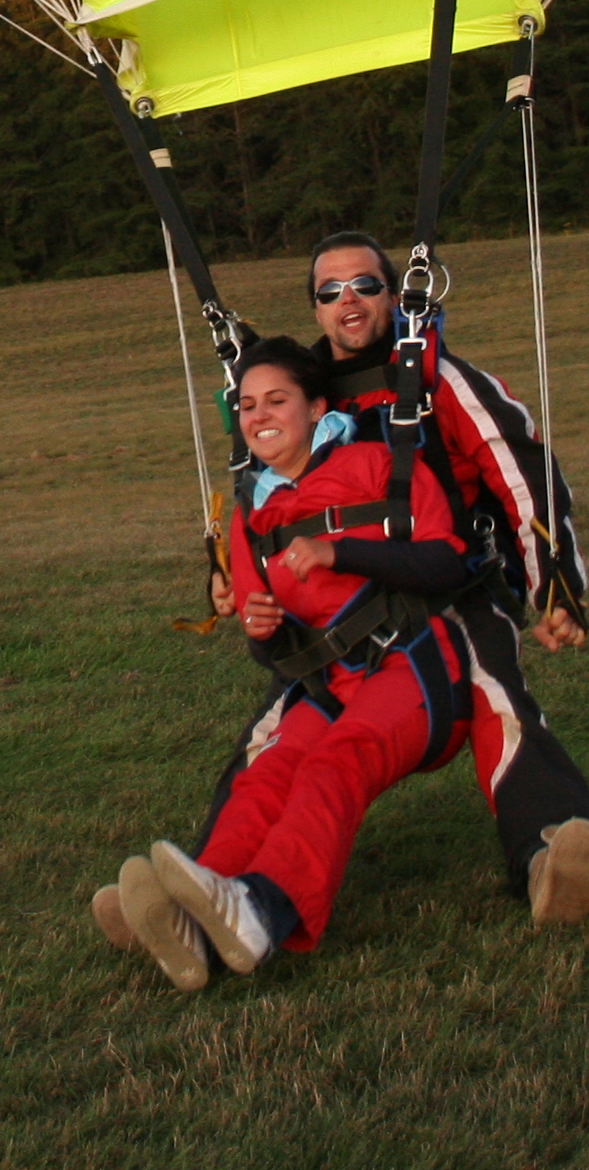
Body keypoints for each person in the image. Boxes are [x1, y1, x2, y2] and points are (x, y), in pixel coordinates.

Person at [93, 337, 477, 990]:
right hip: (326, 684)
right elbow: (263, 638)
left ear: (316, 407)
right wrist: (263, 631)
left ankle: (260, 911)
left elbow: (447, 561)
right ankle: (197, 919)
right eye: (245, 405)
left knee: (336, 761)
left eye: (276, 400)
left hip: (413, 671)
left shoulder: (380, 463)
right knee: (266, 777)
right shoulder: (252, 514)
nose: (259, 415)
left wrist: (341, 553)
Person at [299, 228, 589, 919]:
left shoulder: (443, 380)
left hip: (453, 590)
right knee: (287, 724)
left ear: (396, 294)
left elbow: (521, 471)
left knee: (497, 694)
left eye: (366, 285)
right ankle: (217, 880)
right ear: (316, 311)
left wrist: (553, 585)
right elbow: (265, 505)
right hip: (346, 607)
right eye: (330, 291)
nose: (349, 300)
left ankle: (550, 854)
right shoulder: (301, 402)